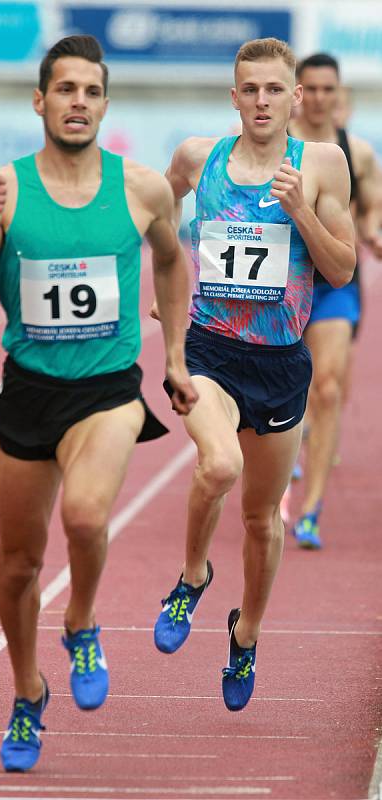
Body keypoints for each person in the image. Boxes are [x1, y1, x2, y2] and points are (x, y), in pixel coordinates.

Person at [0, 35, 197, 772]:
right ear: (40, 100)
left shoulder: (142, 188)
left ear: (106, 102)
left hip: (108, 390)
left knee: (86, 514)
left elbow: (171, 259)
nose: (79, 103)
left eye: (91, 91)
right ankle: (28, 692)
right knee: (17, 565)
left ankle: (82, 619)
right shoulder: (0, 187)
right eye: (65, 90)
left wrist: (177, 356)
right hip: (28, 391)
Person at [151, 37, 355, 712]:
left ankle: (247, 632)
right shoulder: (196, 157)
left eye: (275, 89)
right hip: (210, 349)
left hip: (280, 361)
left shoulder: (320, 164)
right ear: (233, 96)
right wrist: (164, 286)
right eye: (251, 89)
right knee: (217, 465)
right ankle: (191, 576)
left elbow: (342, 269)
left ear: (296, 98)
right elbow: (154, 213)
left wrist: (300, 211)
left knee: (262, 520)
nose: (262, 101)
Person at [288, 53, 382, 549]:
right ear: (298, 92)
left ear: (338, 92)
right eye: (312, 89)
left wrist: (373, 234)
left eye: (330, 89)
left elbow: (370, 211)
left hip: (333, 287)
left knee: (327, 388)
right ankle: (281, 465)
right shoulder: (276, 146)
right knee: (281, 390)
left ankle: (311, 509)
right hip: (277, 287)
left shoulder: (359, 153)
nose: (321, 98)